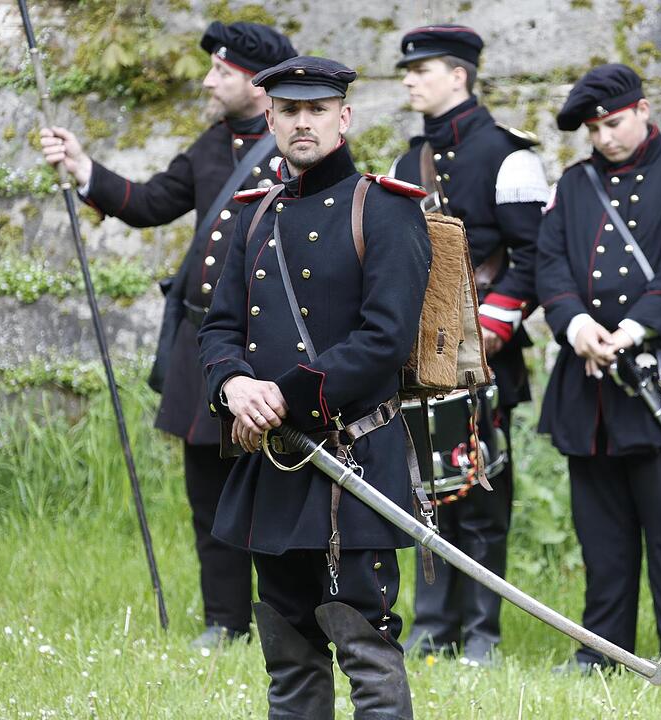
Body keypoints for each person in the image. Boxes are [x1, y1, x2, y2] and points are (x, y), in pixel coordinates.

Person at [40, 21, 296, 648]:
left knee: (281, 493)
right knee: (206, 491)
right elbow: (151, 201)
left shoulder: (297, 151)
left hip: (268, 347)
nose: (209, 80)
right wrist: (82, 167)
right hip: (205, 344)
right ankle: (225, 621)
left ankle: (288, 622)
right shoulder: (212, 145)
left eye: (222, 71)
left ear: (258, 85)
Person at [197, 55, 430, 719]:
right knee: (288, 650)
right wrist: (234, 387)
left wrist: (279, 397)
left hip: (350, 463)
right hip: (273, 468)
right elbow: (217, 330)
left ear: (343, 118)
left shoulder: (385, 211)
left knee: (365, 645)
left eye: (317, 110)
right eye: (290, 111)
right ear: (269, 118)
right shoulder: (254, 215)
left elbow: (384, 339)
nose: (303, 122)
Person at [535, 63, 661, 683]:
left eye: (613, 123)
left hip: (657, 375)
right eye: (593, 129)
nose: (605, 138)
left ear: (643, 109)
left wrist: (633, 331)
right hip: (588, 385)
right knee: (602, 538)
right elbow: (551, 265)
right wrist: (575, 326)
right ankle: (602, 653)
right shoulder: (573, 184)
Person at [388, 24, 549, 666]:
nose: (408, 80)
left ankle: (481, 633)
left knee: (480, 491)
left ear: (459, 75)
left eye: (420, 70)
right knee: (424, 487)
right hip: (423, 354)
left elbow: (534, 259)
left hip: (486, 352)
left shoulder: (510, 156)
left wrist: (491, 331)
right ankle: (433, 628)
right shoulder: (406, 162)